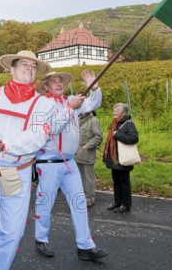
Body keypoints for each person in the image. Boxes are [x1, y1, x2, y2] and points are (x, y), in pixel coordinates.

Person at [0, 50, 84, 270]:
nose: (29, 68)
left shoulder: (43, 105)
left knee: (13, 232)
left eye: (33, 66)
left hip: (20, 171)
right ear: (12, 68)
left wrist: (2, 144)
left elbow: (37, 137)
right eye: (24, 64)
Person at [33, 71, 107, 262]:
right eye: (53, 82)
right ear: (47, 87)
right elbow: (53, 128)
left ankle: (85, 246)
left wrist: (95, 87)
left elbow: (93, 103)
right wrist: (70, 109)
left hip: (69, 161)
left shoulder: (71, 100)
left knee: (79, 201)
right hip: (48, 162)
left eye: (60, 81)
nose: (58, 84)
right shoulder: (42, 104)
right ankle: (41, 239)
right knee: (45, 201)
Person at [103, 103, 138, 214]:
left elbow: (134, 138)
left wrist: (118, 135)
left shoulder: (129, 124)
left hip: (123, 159)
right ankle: (117, 203)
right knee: (116, 182)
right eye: (114, 110)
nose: (114, 112)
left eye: (116, 110)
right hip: (114, 159)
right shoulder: (114, 123)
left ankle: (126, 205)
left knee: (124, 182)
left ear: (123, 113)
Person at [75, 111, 103, 208]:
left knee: (88, 177)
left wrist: (87, 146)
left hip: (86, 153)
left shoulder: (94, 121)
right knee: (78, 176)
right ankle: (81, 196)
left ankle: (89, 198)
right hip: (76, 154)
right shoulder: (77, 119)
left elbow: (98, 136)